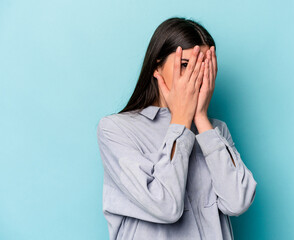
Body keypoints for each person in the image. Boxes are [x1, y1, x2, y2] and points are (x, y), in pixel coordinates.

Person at [96, 17, 257, 240]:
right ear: (157, 67)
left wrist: (200, 118)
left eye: (204, 68)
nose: (195, 77)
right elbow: (165, 206)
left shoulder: (215, 130)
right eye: (184, 65)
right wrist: (181, 119)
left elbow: (237, 202)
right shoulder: (115, 129)